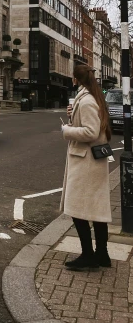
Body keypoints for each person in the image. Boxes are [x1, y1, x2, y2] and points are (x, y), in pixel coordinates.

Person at [60, 64, 112, 271]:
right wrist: (73, 115)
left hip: (86, 161)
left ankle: (89, 255)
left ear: (75, 79)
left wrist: (67, 130)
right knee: (96, 210)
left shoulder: (88, 100)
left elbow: (90, 132)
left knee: (78, 210)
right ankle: (102, 254)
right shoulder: (90, 97)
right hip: (90, 160)